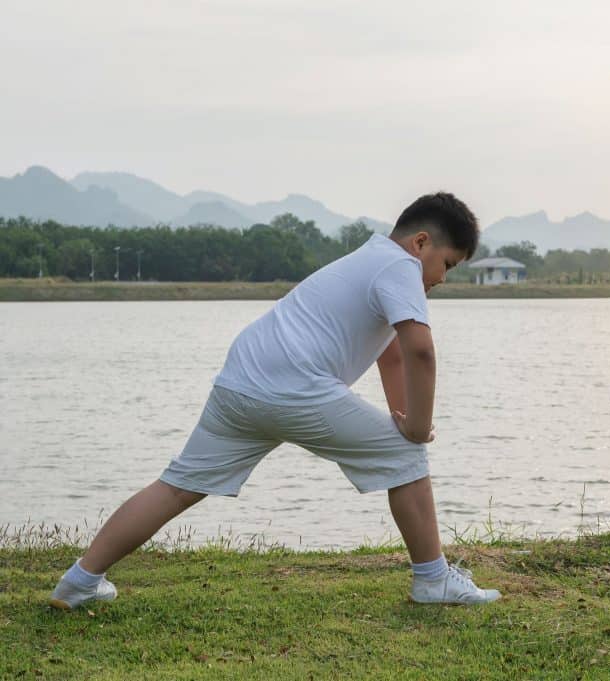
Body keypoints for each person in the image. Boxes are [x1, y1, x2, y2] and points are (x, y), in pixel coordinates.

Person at [49, 192, 500, 609]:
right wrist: (417, 430)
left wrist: (403, 416)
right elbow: (419, 350)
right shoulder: (399, 267)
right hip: (293, 385)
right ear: (421, 243)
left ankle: (79, 580)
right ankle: (432, 579)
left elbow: (392, 359)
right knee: (406, 455)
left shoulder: (368, 260)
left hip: (241, 379)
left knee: (177, 486)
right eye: (449, 264)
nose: (442, 278)